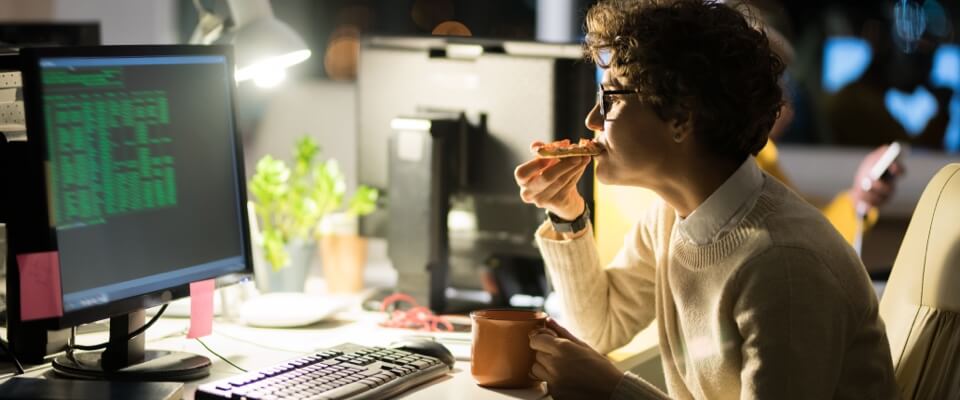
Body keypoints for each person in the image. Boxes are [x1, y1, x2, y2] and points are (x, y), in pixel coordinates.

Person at [513, 0, 898, 399]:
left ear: (681, 117)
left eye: (610, 99)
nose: (592, 120)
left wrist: (613, 389)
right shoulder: (671, 217)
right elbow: (599, 327)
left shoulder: (782, 263)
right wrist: (568, 213)